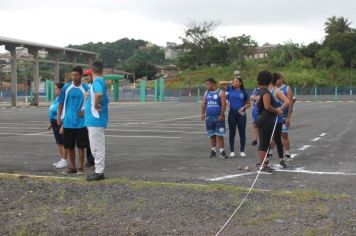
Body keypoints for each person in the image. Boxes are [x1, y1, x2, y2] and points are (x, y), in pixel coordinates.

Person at [57, 66, 90, 175]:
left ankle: (80, 168)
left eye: (76, 75)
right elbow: (60, 103)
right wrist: (59, 117)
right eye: (72, 75)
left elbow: (91, 104)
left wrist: (85, 112)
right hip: (68, 122)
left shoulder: (86, 88)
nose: (74, 77)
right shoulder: (66, 88)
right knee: (70, 147)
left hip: (81, 123)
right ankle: (72, 167)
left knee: (81, 147)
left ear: (81, 75)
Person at [254, 71, 283, 174]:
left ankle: (264, 164)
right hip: (266, 119)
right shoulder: (266, 92)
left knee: (264, 143)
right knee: (264, 143)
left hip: (261, 118)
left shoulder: (259, 91)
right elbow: (267, 106)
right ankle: (263, 166)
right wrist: (277, 111)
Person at [85, 61, 109, 181]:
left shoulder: (98, 81)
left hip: (96, 120)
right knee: (94, 146)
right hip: (93, 120)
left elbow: (99, 94)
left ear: (91, 70)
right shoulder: (98, 81)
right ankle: (98, 170)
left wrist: (95, 105)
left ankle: (99, 172)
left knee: (97, 146)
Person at [219, 74, 250, 158]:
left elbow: (248, 104)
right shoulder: (230, 89)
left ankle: (242, 151)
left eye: (236, 81)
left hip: (241, 113)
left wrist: (243, 107)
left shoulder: (244, 92)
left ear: (240, 83)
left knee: (242, 132)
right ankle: (232, 151)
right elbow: (220, 83)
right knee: (232, 132)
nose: (235, 82)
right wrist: (230, 82)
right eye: (234, 81)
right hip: (232, 113)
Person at [268, 73, 291, 168]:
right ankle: (268, 155)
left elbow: (289, 102)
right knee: (272, 137)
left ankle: (286, 155)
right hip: (270, 118)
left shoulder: (281, 89)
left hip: (280, 117)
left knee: (281, 137)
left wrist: (282, 112)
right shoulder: (268, 90)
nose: (279, 80)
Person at [201, 77, 227, 159]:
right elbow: (204, 104)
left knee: (220, 135)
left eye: (208, 84)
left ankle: (222, 151)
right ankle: (213, 151)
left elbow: (224, 105)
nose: (207, 86)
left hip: (218, 117)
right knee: (211, 134)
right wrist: (202, 113)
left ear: (213, 84)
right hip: (209, 118)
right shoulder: (206, 93)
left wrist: (222, 115)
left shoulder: (221, 92)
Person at [275, 73, 295, 161]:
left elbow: (290, 104)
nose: (275, 81)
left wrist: (288, 117)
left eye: (276, 79)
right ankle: (270, 153)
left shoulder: (287, 88)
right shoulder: (273, 89)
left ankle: (287, 154)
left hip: (283, 116)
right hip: (275, 116)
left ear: (281, 79)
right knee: (274, 136)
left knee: (284, 135)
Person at [48, 82, 68, 169]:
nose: (54, 90)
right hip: (54, 122)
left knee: (63, 142)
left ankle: (64, 160)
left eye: (56, 88)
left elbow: (64, 112)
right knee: (59, 142)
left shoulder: (64, 99)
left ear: (61, 89)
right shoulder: (57, 98)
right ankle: (62, 159)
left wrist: (63, 125)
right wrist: (50, 123)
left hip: (61, 122)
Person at [83, 68, 95, 168]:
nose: (86, 77)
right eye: (86, 75)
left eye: (88, 75)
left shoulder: (95, 86)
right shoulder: (88, 86)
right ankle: (90, 160)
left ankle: (93, 161)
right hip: (87, 117)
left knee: (94, 141)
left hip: (93, 118)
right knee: (88, 141)